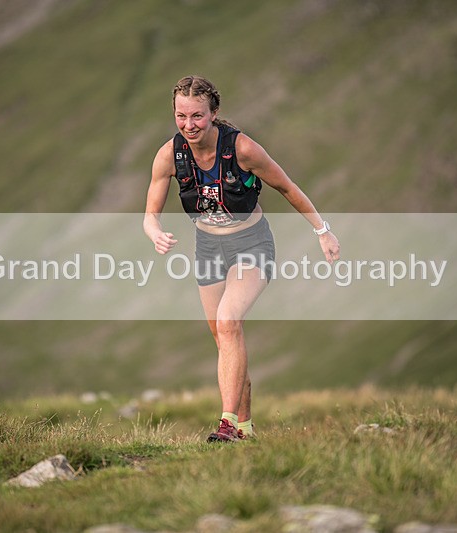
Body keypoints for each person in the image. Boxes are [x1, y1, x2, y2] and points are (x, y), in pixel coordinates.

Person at [143, 75, 340, 442]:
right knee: (226, 341)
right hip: (207, 248)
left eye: (198, 116)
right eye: (181, 116)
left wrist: (322, 231)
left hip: (251, 244)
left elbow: (287, 187)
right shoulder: (170, 155)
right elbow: (150, 213)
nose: (189, 125)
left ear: (214, 113)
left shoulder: (243, 149)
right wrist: (154, 232)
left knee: (229, 320)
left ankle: (227, 424)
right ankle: (246, 431)